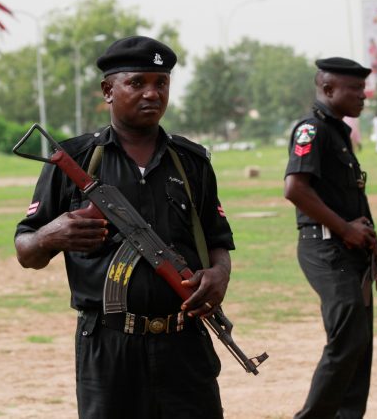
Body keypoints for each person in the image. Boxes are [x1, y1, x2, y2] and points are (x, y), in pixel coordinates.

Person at [14, 36, 235, 419]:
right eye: (137, 83)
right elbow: (26, 250)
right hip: (108, 345)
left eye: (161, 83)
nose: (152, 93)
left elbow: (217, 239)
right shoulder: (73, 160)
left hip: (184, 342)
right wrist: (52, 235)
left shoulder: (191, 162)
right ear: (108, 91)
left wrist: (219, 274)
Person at [284, 57, 377, 418]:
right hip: (324, 246)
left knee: (360, 342)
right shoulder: (311, 130)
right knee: (347, 337)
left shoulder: (338, 131)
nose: (363, 95)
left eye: (362, 87)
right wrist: (346, 230)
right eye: (354, 89)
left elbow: (353, 201)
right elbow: (295, 189)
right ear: (327, 89)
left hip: (349, 249)